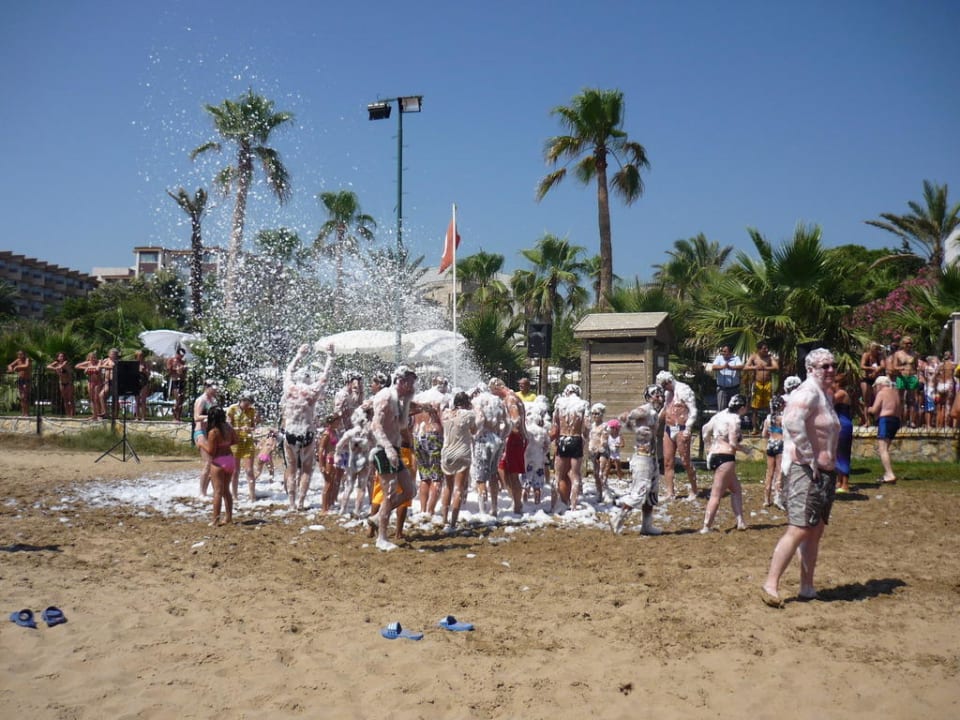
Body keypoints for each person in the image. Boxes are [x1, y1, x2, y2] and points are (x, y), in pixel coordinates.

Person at [761, 348, 840, 608]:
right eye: (824, 366)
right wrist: (809, 457)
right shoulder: (807, 392)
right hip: (806, 471)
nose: (830, 370)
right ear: (810, 369)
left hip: (823, 473)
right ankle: (770, 584)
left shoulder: (824, 394)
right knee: (799, 528)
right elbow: (792, 422)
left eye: (833, 365)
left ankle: (807, 586)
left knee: (815, 530)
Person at [368, 365, 418, 551]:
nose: (413, 387)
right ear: (401, 381)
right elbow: (376, 426)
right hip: (383, 449)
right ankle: (381, 537)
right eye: (410, 383)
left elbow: (402, 424)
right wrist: (388, 448)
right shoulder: (386, 396)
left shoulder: (398, 398)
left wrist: (408, 400)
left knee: (410, 490)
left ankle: (377, 517)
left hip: (394, 449)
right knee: (389, 493)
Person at [280, 343, 335, 511]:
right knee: (306, 470)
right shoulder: (312, 391)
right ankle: (301, 502)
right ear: (308, 379)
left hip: (291, 432)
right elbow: (326, 375)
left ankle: (291, 503)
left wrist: (299, 355)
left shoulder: (289, 388)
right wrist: (330, 356)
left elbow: (288, 371)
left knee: (291, 469)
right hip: (307, 433)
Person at [609, 384, 665, 535]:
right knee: (639, 492)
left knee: (651, 494)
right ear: (649, 397)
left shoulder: (654, 412)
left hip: (652, 458)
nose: (660, 398)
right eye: (657, 395)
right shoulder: (645, 410)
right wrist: (632, 426)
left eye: (661, 395)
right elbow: (626, 416)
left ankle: (646, 526)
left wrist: (634, 429)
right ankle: (617, 518)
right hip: (642, 458)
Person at [699, 394, 752, 533]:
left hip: (715, 456)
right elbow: (733, 443)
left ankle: (740, 521)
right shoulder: (735, 420)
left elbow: (705, 429)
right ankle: (706, 527)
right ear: (742, 407)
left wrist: (708, 447)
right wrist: (746, 450)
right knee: (716, 494)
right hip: (726, 458)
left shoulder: (720, 415)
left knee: (736, 489)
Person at [656, 370, 699, 501]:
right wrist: (655, 421)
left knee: (685, 461)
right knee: (667, 462)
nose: (664, 389)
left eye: (664, 386)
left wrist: (688, 427)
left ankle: (694, 489)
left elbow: (693, 411)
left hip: (681, 428)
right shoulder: (668, 393)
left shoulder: (684, 390)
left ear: (668, 382)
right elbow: (665, 410)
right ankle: (670, 492)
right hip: (668, 428)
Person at [439, 391, 478, 533]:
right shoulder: (469, 415)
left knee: (447, 487)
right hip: (462, 453)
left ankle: (444, 519)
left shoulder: (445, 414)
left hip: (446, 453)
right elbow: (474, 431)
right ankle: (453, 523)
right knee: (458, 488)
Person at [489, 377, 527, 515]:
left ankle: (517, 505)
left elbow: (516, 421)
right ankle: (515, 501)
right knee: (503, 469)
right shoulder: (513, 397)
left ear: (496, 389)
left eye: (493, 393)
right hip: (514, 438)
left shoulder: (510, 399)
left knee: (513, 473)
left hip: (514, 438)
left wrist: (504, 432)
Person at [411, 378, 448, 517]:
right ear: (442, 385)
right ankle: (430, 512)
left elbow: (410, 419)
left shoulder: (418, 397)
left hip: (418, 435)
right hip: (434, 436)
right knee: (437, 477)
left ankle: (422, 510)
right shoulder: (441, 398)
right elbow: (444, 422)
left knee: (424, 477)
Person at [551, 384, 589, 511]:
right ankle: (573, 506)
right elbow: (587, 426)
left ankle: (555, 505)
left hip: (563, 439)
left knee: (559, 475)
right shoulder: (583, 404)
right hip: (576, 439)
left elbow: (555, 427)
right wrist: (584, 439)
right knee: (575, 475)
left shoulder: (559, 404)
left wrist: (553, 441)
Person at [198, 406, 237, 526]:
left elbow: (211, 451)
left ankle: (215, 520)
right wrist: (225, 444)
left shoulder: (213, 432)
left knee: (218, 492)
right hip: (230, 459)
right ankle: (228, 517)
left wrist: (201, 444)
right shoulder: (229, 428)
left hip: (218, 462)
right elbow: (236, 441)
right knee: (226, 491)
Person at [470, 384, 507, 515]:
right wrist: (502, 437)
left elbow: (480, 420)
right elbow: (508, 423)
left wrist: (473, 433)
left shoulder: (477, 401)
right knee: (493, 474)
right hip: (496, 440)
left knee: (480, 477)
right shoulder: (498, 402)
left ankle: (483, 510)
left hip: (483, 440)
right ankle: (494, 507)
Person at [336, 406, 374, 516]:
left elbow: (339, 445)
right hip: (365, 462)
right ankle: (357, 510)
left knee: (349, 486)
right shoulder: (369, 433)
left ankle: (343, 509)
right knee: (361, 487)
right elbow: (376, 444)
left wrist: (338, 454)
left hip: (352, 462)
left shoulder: (351, 432)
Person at [868, 375, 902, 485]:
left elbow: (874, 410)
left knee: (882, 449)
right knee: (885, 448)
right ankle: (887, 473)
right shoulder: (895, 393)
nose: (875, 389)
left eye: (876, 386)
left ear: (880, 385)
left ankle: (889, 474)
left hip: (885, 420)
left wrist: (869, 409)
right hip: (895, 420)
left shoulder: (882, 393)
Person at [226, 391, 258, 501]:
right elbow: (228, 426)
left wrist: (250, 428)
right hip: (235, 442)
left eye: (249, 403)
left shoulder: (252, 411)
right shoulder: (232, 409)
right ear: (241, 400)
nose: (247, 406)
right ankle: (234, 496)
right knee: (235, 471)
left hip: (248, 442)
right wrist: (239, 429)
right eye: (246, 403)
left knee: (249, 470)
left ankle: (252, 496)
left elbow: (253, 426)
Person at [744, 342, 779, 432]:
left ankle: (770, 427)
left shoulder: (770, 357)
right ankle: (755, 428)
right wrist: (755, 367)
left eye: (767, 348)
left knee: (769, 406)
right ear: (759, 349)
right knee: (755, 407)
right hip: (757, 384)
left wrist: (766, 368)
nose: (766, 350)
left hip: (767, 384)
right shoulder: (754, 357)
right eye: (764, 349)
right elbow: (746, 367)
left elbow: (776, 367)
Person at [193, 380, 219, 497]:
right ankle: (201, 492)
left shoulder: (213, 400)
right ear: (207, 388)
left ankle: (209, 490)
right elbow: (196, 417)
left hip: (210, 433)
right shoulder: (201, 400)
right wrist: (211, 416)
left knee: (213, 462)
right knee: (208, 462)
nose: (215, 391)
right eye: (213, 389)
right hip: (201, 432)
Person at [521, 406, 550, 508]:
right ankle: (537, 503)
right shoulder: (543, 431)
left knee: (526, 482)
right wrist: (543, 454)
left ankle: (524, 502)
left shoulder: (527, 431)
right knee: (537, 484)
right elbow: (547, 445)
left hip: (528, 459)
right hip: (539, 459)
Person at [761, 394, 786, 509]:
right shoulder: (782, 419)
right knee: (779, 471)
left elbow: (764, 434)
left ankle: (766, 499)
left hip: (770, 444)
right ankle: (778, 498)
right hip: (780, 444)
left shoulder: (768, 419)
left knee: (769, 472)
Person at [317, 413, 342, 513]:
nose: (339, 423)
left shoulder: (334, 432)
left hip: (334, 458)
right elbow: (321, 450)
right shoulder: (327, 434)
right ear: (331, 422)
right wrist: (321, 465)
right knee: (328, 484)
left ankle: (329, 504)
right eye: (337, 421)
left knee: (332, 483)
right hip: (329, 459)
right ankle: (324, 508)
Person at [893, 336, 920, 427]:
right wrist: (901, 368)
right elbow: (894, 366)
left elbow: (916, 366)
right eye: (907, 343)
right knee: (900, 399)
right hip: (901, 377)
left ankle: (912, 421)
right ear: (903, 344)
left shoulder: (914, 354)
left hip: (911, 376)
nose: (909, 345)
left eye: (910, 343)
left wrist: (917, 376)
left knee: (912, 399)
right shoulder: (898, 354)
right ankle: (900, 420)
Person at [834, 381, 854, 493]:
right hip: (838, 424)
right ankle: (839, 480)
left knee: (843, 453)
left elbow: (829, 401)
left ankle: (845, 483)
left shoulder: (841, 393)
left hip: (843, 425)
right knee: (837, 453)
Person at [711, 345, 744, 413]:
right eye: (722, 351)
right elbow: (714, 367)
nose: (723, 353)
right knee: (722, 410)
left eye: (725, 351)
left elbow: (741, 367)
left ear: (730, 352)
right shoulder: (719, 358)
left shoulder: (736, 358)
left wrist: (730, 367)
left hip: (734, 389)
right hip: (722, 389)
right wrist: (723, 367)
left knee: (734, 409)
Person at [75, 352, 105, 420]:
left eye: (94, 357)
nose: (93, 359)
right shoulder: (88, 363)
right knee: (92, 399)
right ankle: (94, 415)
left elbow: (98, 369)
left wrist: (90, 368)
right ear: (89, 358)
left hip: (98, 382)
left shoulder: (99, 362)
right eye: (91, 357)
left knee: (96, 398)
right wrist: (86, 367)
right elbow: (76, 366)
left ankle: (99, 414)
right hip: (90, 382)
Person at [587, 403, 608, 497]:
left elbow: (604, 441)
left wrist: (599, 449)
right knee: (595, 474)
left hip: (602, 451)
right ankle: (599, 493)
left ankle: (605, 491)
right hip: (593, 451)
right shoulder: (591, 426)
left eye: (596, 414)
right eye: (593, 413)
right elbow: (590, 438)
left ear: (601, 414)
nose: (594, 416)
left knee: (601, 473)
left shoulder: (604, 426)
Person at [46, 352, 75, 417]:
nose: (61, 358)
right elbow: (48, 366)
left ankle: (72, 414)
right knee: (65, 399)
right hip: (61, 383)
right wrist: (54, 368)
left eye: (62, 356)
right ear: (57, 357)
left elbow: (62, 366)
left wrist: (56, 368)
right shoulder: (56, 363)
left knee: (70, 399)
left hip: (68, 383)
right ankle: (68, 414)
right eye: (60, 356)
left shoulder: (65, 362)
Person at [7, 350, 31, 417]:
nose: (19, 356)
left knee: (25, 396)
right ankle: (23, 413)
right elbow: (9, 365)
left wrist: (17, 367)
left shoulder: (27, 359)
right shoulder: (18, 360)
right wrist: (11, 369)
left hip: (26, 380)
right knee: (22, 397)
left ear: (24, 354)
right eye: (18, 354)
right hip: (20, 380)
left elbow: (26, 366)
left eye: (21, 354)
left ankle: (27, 413)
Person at [166, 347, 188, 421]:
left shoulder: (183, 362)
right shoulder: (171, 360)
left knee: (181, 399)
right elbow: (168, 370)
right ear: (177, 354)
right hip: (175, 380)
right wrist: (176, 369)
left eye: (183, 355)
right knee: (178, 398)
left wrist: (184, 369)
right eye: (181, 355)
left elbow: (185, 373)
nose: (182, 357)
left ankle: (178, 417)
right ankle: (174, 415)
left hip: (182, 380)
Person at [935, 351, 955, 429]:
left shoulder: (940, 365)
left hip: (940, 384)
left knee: (939, 406)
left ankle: (938, 425)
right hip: (949, 383)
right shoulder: (953, 365)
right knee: (948, 405)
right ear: (950, 356)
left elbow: (935, 375)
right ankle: (946, 425)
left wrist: (939, 380)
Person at [99, 348, 120, 420]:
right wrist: (106, 366)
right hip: (107, 381)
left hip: (115, 381)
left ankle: (115, 415)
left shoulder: (117, 361)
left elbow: (113, 367)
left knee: (115, 398)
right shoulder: (106, 360)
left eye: (114, 354)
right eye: (111, 354)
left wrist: (106, 366)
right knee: (101, 395)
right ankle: (105, 412)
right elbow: (100, 367)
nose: (113, 355)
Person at [134, 350, 152, 421]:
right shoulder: (134, 364)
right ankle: (137, 416)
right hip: (136, 382)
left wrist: (144, 371)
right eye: (139, 356)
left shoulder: (146, 364)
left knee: (143, 400)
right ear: (136, 357)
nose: (141, 357)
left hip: (144, 382)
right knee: (137, 400)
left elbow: (148, 373)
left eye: (142, 356)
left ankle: (143, 416)